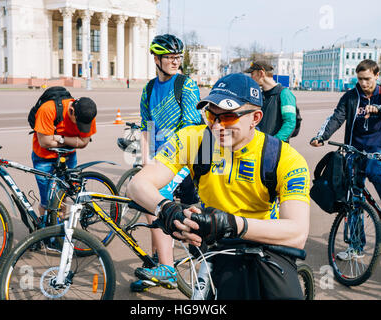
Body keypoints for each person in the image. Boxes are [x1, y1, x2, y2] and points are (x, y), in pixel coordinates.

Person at [128, 73, 310, 299]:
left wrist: (233, 224)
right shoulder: (196, 141)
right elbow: (137, 184)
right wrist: (166, 208)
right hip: (215, 242)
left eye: (228, 117)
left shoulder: (280, 157)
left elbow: (297, 233)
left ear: (255, 117)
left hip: (265, 244)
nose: (216, 126)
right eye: (210, 115)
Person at [310, 59, 381, 260]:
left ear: (377, 76)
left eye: (367, 79)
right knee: (353, 199)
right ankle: (356, 247)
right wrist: (321, 136)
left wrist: (378, 109)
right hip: (354, 149)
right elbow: (336, 117)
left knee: (374, 171)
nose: (363, 83)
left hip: (378, 147)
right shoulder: (350, 97)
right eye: (360, 79)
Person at [131, 34, 202, 291]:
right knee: (146, 202)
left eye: (178, 57)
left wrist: (162, 160)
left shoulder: (186, 85)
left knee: (155, 195)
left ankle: (168, 269)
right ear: (156, 59)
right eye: (170, 57)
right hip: (163, 159)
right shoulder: (149, 89)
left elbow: (191, 128)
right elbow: (146, 126)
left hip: (185, 155)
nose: (175, 61)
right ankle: (156, 266)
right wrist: (146, 160)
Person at [31, 96, 97, 222]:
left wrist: (59, 138)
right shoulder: (48, 109)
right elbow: (45, 142)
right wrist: (72, 142)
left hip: (68, 157)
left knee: (62, 197)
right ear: (71, 110)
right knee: (46, 201)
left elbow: (83, 142)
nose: (79, 127)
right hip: (44, 158)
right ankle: (46, 231)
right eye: (77, 123)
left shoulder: (87, 113)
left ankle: (59, 232)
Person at [244, 60, 297, 142]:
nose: (251, 77)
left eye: (252, 74)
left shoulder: (284, 94)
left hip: (274, 149)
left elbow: (289, 123)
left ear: (261, 73)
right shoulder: (260, 95)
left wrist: (273, 143)